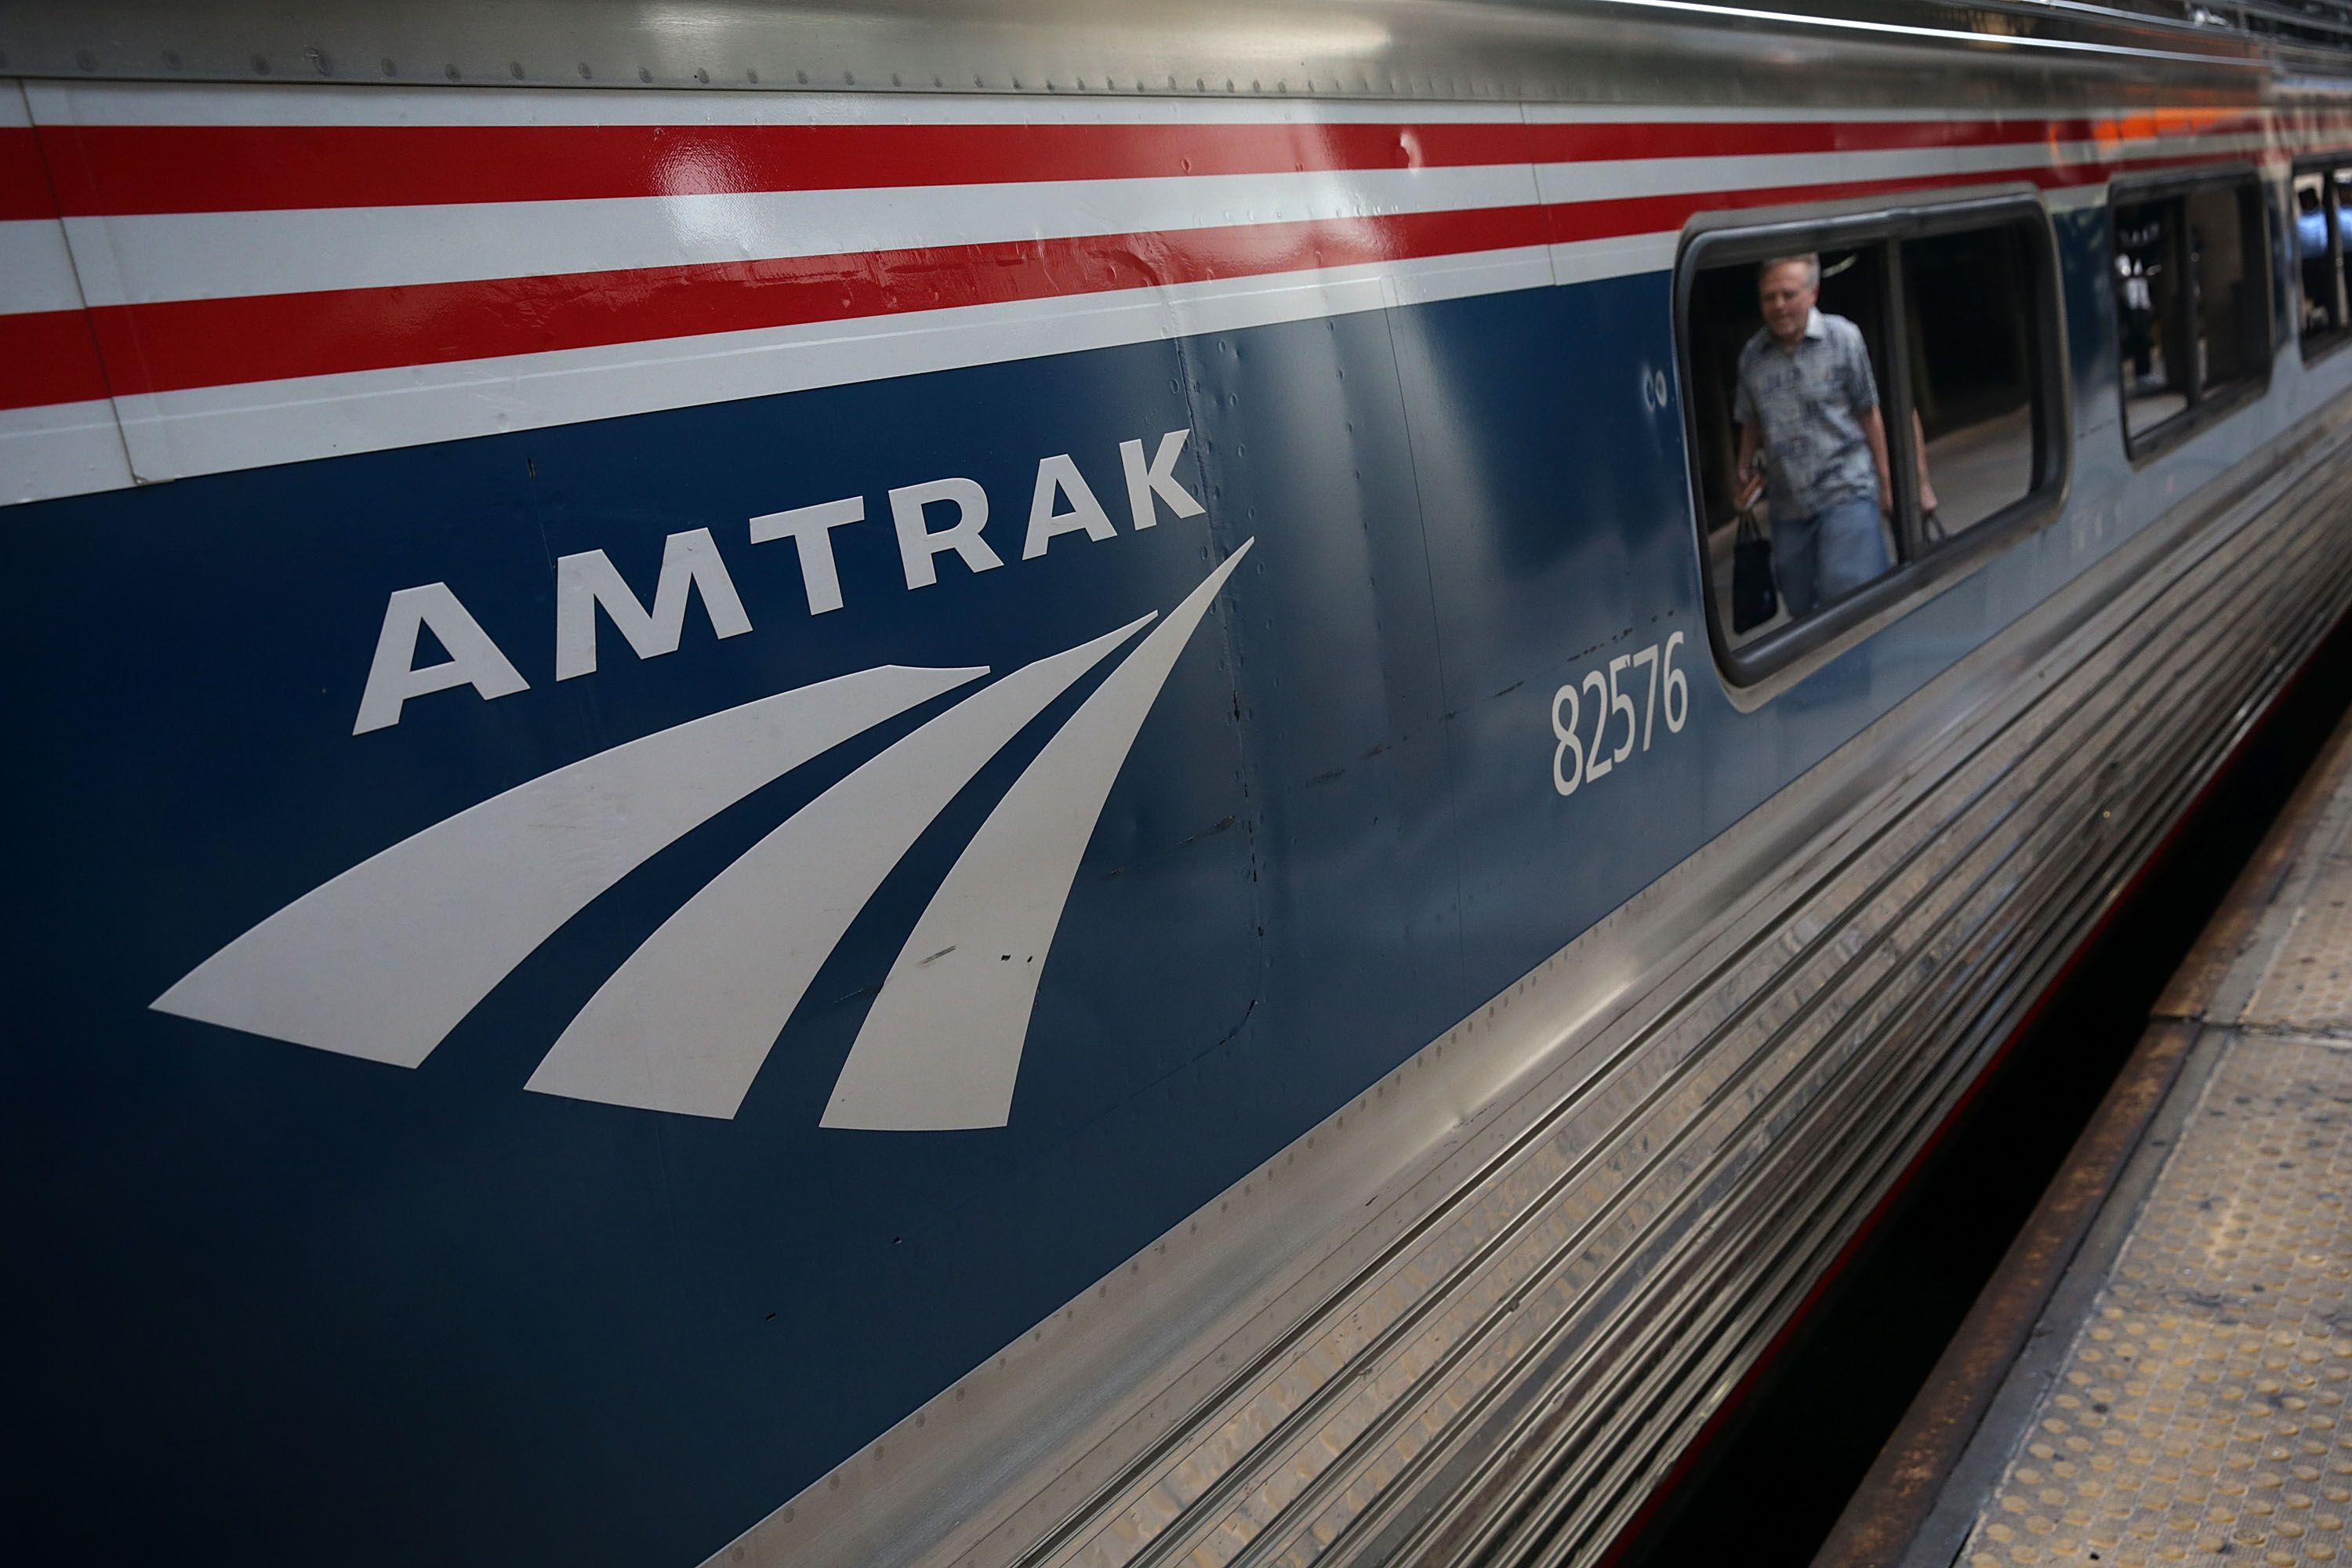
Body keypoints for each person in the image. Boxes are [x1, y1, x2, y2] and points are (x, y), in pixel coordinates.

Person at [1733, 255, 1896, 616]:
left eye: (1788, 294)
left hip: (1845, 491)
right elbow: (1750, 423)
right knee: (1802, 611)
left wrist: (1885, 485)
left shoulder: (1844, 339)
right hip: (1787, 504)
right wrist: (1742, 474)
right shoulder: (1752, 357)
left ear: (1813, 293)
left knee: (1851, 599)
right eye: (1769, 297)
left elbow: (1869, 413)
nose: (1778, 306)